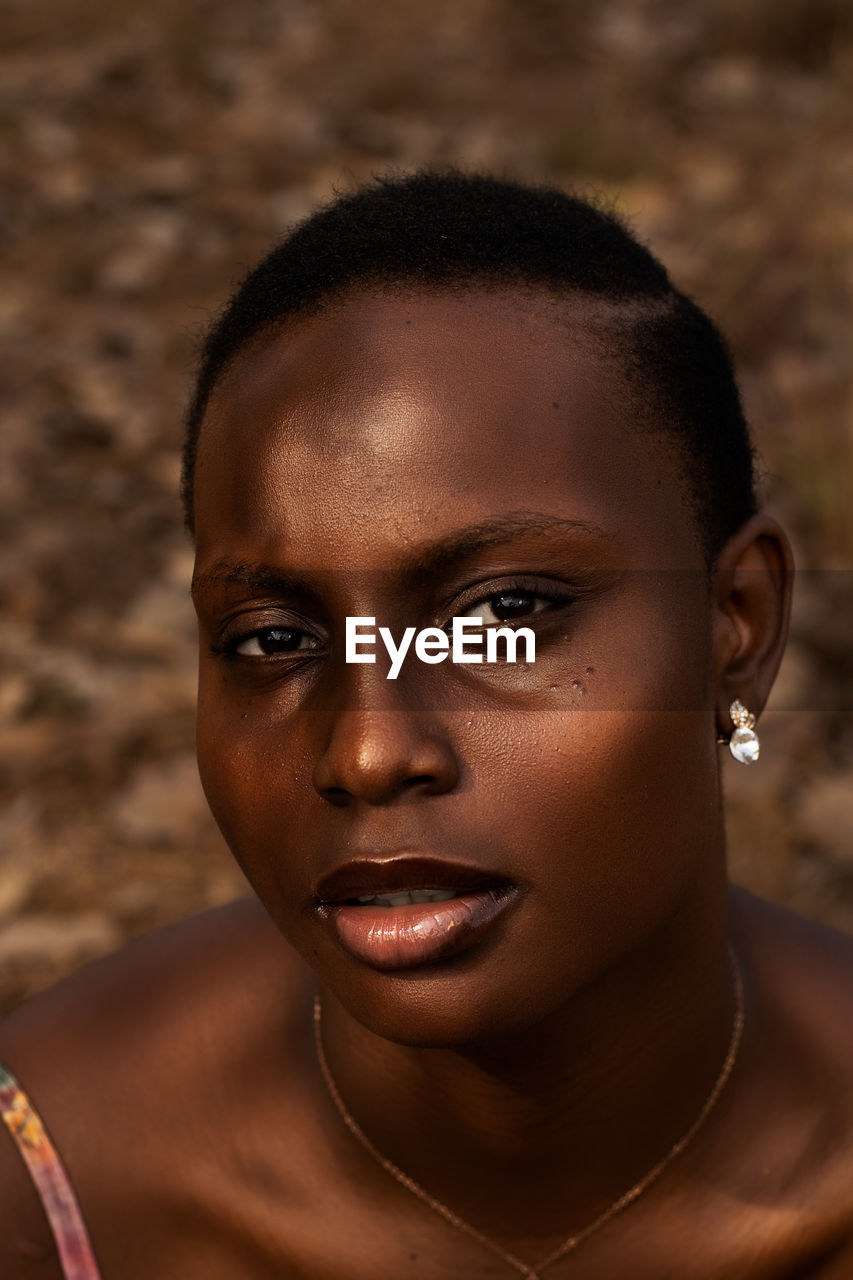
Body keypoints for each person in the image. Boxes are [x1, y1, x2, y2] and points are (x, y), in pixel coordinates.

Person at [1, 170, 851, 1279]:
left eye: (503, 613)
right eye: (272, 639)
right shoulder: (58, 1188)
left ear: (735, 622)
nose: (367, 750)